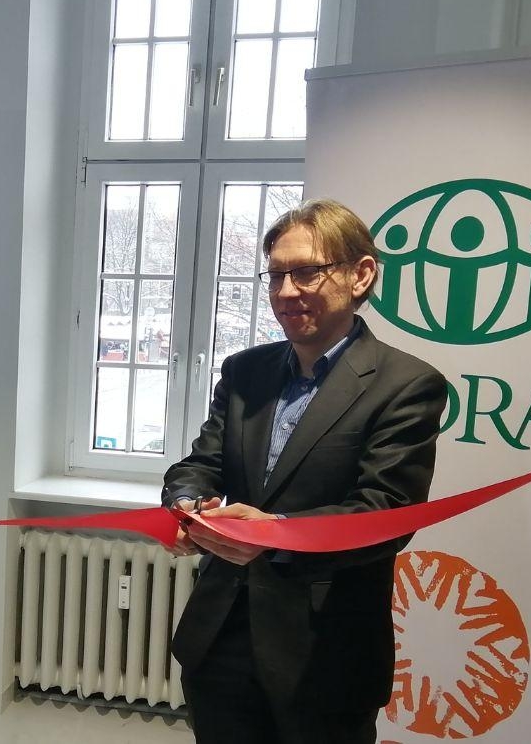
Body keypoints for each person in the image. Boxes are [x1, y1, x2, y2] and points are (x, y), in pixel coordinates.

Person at [162, 198, 448, 744]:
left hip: (326, 654)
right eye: (275, 275)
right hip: (219, 639)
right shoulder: (246, 371)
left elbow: (386, 512)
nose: (285, 292)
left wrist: (274, 533)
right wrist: (188, 508)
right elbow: (200, 464)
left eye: (307, 272)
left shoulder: (407, 385)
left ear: (361, 275)